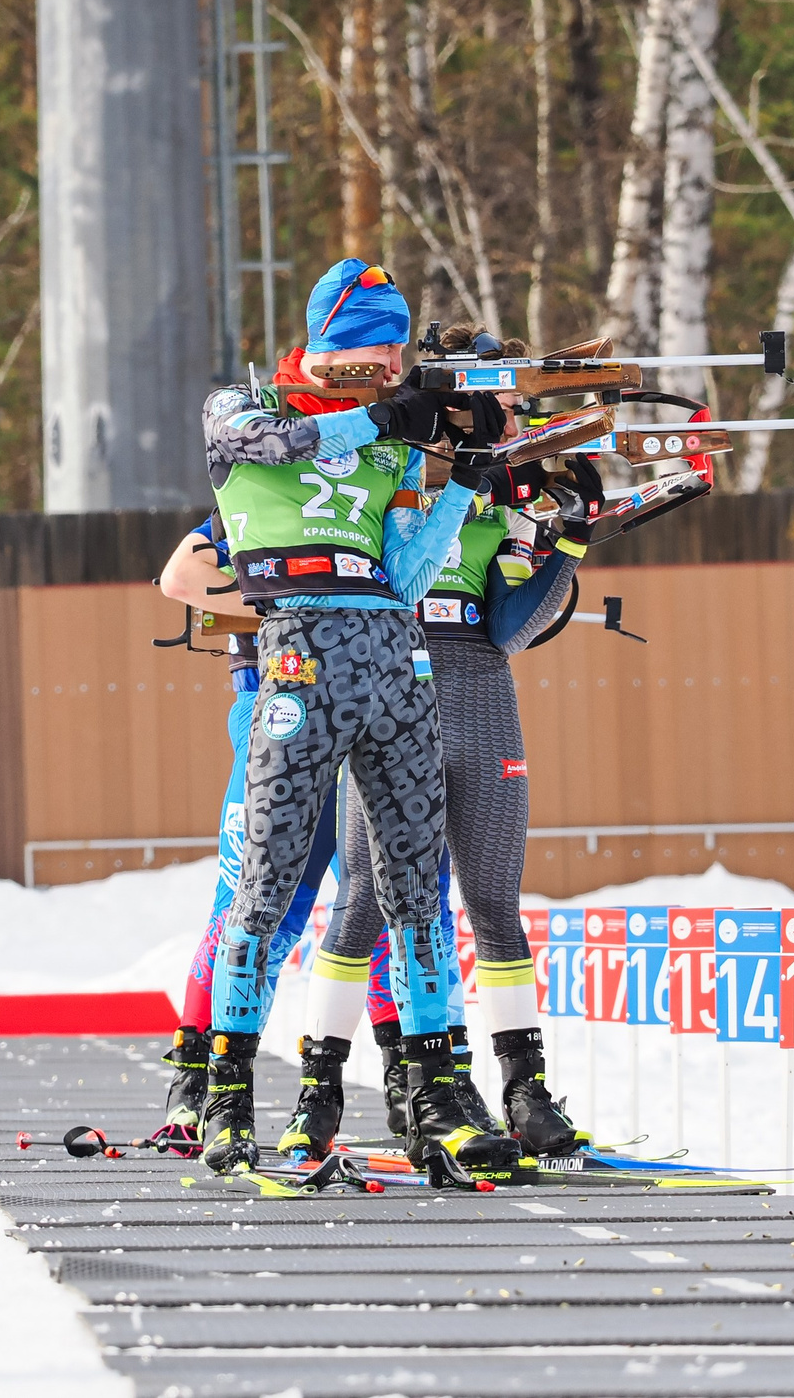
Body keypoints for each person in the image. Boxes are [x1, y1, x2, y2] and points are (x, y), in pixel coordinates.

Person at [197, 259, 520, 1178]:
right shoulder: (239, 405)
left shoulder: (388, 447)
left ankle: (436, 1092)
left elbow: (405, 576)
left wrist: (465, 477)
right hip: (300, 659)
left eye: (395, 348)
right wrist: (380, 416)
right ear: (336, 335)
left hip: (396, 663)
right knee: (267, 885)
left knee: (418, 892)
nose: (390, 360)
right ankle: (226, 1098)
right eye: (378, 343)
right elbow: (278, 446)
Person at [282, 334, 604, 1159]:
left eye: (497, 418)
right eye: (474, 413)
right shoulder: (386, 471)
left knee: (495, 901)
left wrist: (567, 540)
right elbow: (386, 573)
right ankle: (318, 1090)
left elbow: (512, 626)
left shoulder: (499, 501)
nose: (488, 428)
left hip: (482, 696)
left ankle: (526, 1089)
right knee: (364, 898)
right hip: (393, 689)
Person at [151, 519, 342, 1145]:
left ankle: (404, 1083)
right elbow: (180, 577)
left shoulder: (363, 495)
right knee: (247, 899)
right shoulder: (245, 504)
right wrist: (287, 611)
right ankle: (197, 1076)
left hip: (359, 714)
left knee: (374, 901)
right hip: (271, 711)